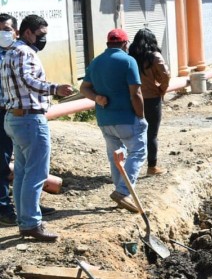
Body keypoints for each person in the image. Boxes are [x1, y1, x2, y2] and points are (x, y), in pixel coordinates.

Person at [0, 14, 73, 241]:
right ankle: (31, 222)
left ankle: (25, 221)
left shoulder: (9, 52)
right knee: (36, 173)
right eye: (41, 35)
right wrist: (55, 88)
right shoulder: (23, 51)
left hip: (15, 118)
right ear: (28, 32)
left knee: (22, 172)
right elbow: (27, 80)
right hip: (29, 120)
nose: (43, 39)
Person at [79, 29, 147, 213]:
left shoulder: (96, 62)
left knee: (116, 156)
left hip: (105, 119)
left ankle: (120, 193)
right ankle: (123, 191)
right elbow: (136, 93)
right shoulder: (128, 60)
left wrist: (96, 98)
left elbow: (83, 88)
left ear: (108, 43)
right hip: (127, 118)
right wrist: (141, 116)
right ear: (125, 44)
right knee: (138, 152)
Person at [128, 28, 170, 176]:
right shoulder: (154, 56)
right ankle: (152, 167)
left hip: (133, 98)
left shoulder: (130, 57)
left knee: (134, 133)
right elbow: (165, 76)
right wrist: (161, 90)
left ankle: (130, 167)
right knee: (151, 133)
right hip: (152, 99)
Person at [0, 14, 19, 226]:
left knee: (22, 160)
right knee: (2, 162)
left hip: (17, 114)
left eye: (6, 28)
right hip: (3, 112)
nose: (3, 33)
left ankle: (25, 204)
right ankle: (3, 207)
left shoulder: (18, 53)